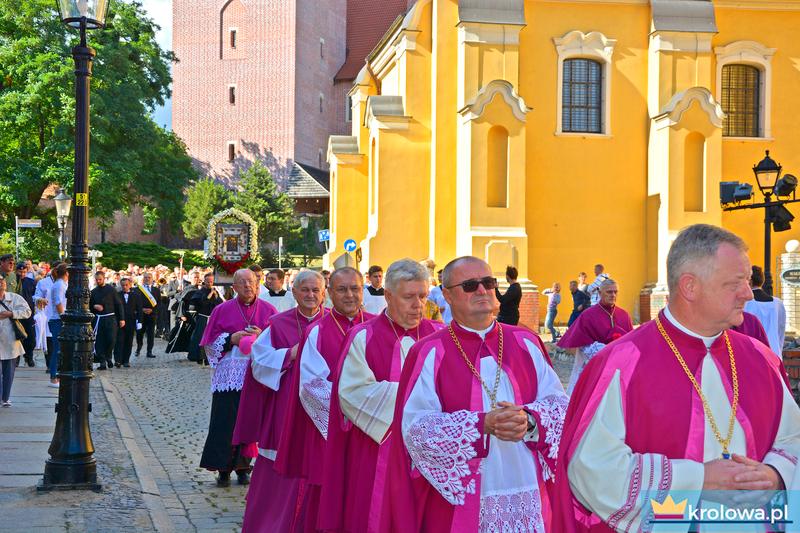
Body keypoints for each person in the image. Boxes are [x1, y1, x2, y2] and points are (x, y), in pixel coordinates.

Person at [553, 223, 800, 531]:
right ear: (690, 287)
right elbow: (591, 468)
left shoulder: (760, 358)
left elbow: (792, 437)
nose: (748, 294)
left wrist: (776, 475)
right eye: (736, 283)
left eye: (747, 281)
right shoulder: (621, 363)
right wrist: (698, 479)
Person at [387, 256, 568, 532]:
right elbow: (416, 429)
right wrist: (480, 425)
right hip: (465, 495)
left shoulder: (526, 341)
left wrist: (530, 420)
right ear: (447, 294)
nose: (482, 290)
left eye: (488, 282)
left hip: (527, 481)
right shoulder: (429, 352)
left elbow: (559, 405)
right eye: (470, 285)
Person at [318, 259, 442, 533]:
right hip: (379, 449)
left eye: (422, 296)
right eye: (409, 297)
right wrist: (422, 400)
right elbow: (353, 393)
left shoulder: (440, 335)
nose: (418, 305)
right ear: (387, 295)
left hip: (433, 452)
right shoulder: (363, 336)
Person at [272, 267, 375, 532]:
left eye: (355, 288)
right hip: (330, 434)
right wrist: (352, 415)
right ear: (329, 294)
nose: (350, 295)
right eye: (342, 289)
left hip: (374, 434)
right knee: (331, 502)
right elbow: (311, 387)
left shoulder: (378, 327)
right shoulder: (318, 332)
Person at [237, 270, 327, 531]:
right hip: (287, 407)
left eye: (315, 290)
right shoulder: (278, 324)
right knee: (280, 474)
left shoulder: (334, 323)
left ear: (324, 294)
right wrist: (289, 354)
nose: (310, 295)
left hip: (324, 410)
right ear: (295, 292)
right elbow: (259, 361)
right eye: (305, 290)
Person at [198, 269, 277, 487]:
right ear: (234, 287)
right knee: (225, 422)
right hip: (229, 376)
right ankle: (223, 469)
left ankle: (244, 468)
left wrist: (261, 337)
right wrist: (231, 339)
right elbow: (208, 344)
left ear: (258, 285)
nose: (247, 286)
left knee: (250, 422)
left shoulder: (269, 310)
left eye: (251, 282)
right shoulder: (221, 310)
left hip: (256, 375)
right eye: (242, 282)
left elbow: (278, 343)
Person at [558, 278, 633, 395]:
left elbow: (631, 343)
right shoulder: (588, 315)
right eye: (609, 292)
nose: (613, 295)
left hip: (619, 370)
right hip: (595, 369)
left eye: (615, 292)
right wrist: (606, 351)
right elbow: (582, 344)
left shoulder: (624, 315)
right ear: (599, 293)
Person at [0, 276, 32, 406]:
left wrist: (12, 313)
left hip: (10, 339)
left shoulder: (14, 297)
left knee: (9, 372)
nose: (1, 283)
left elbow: (27, 311)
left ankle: (5, 398)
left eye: (2, 280)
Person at [744, 265, 786, 357]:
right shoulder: (778, 304)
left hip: (752, 351)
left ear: (749, 282)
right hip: (774, 352)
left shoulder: (745, 303)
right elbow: (781, 330)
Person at [90, 271, 124, 370]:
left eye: (100, 279)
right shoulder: (93, 291)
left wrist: (121, 318)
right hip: (99, 319)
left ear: (104, 278)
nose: (98, 281)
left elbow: (119, 304)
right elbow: (89, 306)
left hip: (110, 318)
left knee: (111, 339)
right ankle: (102, 362)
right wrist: (94, 306)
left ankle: (108, 356)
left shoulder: (111, 290)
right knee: (99, 341)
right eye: (96, 279)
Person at [185, 272, 223, 364]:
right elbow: (202, 303)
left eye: (211, 281)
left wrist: (216, 295)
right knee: (199, 337)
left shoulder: (216, 291)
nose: (210, 283)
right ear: (204, 281)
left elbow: (219, 303)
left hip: (212, 318)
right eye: (208, 281)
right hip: (203, 317)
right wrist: (210, 294)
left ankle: (210, 356)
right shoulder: (200, 292)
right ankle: (196, 355)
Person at [46, 263, 69, 387]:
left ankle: (57, 375)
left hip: (59, 320)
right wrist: (64, 318)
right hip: (58, 320)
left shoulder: (62, 284)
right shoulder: (59, 285)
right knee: (57, 349)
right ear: (66, 273)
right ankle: (54, 377)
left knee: (59, 349)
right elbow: (59, 303)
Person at [114, 278, 142, 368]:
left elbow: (139, 310)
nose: (124, 287)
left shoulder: (136, 296)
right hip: (120, 321)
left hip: (131, 321)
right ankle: (118, 360)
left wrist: (139, 321)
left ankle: (126, 360)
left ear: (130, 285)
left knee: (129, 341)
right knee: (119, 341)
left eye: (126, 285)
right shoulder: (117, 295)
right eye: (122, 285)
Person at [16, 262, 36, 367]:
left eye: (24, 272)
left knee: (31, 337)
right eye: (20, 271)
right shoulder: (14, 282)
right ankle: (16, 358)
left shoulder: (31, 282)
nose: (22, 274)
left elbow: (35, 296)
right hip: (16, 313)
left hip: (28, 313)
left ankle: (29, 356)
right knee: (17, 336)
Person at [135, 272, 160, 358]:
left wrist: (152, 310)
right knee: (139, 333)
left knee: (150, 334)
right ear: (143, 279)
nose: (147, 279)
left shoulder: (156, 290)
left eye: (149, 277)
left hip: (152, 315)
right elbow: (134, 303)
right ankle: (138, 348)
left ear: (152, 279)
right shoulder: (137, 289)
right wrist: (141, 309)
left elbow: (159, 304)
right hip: (140, 315)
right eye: (145, 277)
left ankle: (149, 351)